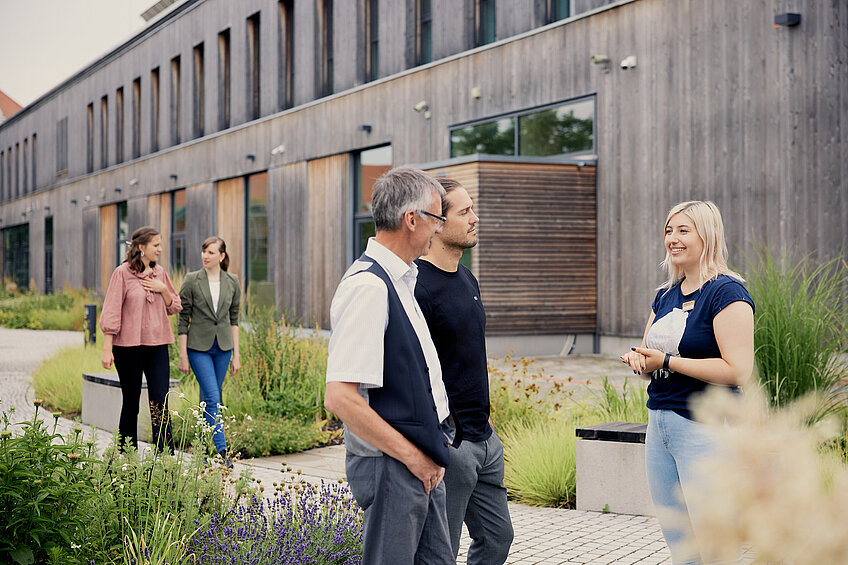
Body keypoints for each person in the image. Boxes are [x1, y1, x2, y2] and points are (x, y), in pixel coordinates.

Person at [324, 165, 456, 564]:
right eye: (436, 218)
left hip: (418, 463)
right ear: (411, 219)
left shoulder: (401, 280)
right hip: (394, 465)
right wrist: (413, 458)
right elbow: (340, 399)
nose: (439, 229)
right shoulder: (369, 287)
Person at [620, 200, 754, 564]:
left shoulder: (727, 293)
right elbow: (649, 355)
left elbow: (738, 370)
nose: (672, 239)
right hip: (660, 425)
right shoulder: (665, 295)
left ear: (706, 235)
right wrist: (641, 361)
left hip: (707, 428)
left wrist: (667, 361)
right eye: (668, 230)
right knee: (681, 544)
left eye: (683, 230)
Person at [415, 178, 513, 564]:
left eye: (473, 209)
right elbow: (415, 369)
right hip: (451, 444)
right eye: (464, 211)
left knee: (497, 539)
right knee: (441, 551)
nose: (475, 218)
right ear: (437, 223)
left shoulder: (468, 278)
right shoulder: (417, 286)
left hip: (485, 438)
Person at [100, 226, 182, 453]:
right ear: (141, 247)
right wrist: (108, 349)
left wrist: (163, 289)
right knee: (131, 402)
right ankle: (127, 456)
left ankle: (164, 457)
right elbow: (111, 311)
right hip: (128, 348)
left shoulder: (161, 273)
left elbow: (175, 306)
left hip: (157, 347)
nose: (160, 249)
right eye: (156, 245)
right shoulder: (122, 273)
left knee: (160, 401)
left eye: (160, 244)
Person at [177, 236, 241, 467]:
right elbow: (183, 319)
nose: (205, 256)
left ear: (222, 256)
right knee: (214, 397)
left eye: (211, 252)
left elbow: (234, 319)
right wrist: (183, 355)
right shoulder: (192, 280)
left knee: (208, 399)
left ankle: (201, 452)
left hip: (223, 348)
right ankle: (223, 452)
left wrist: (237, 354)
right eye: (204, 251)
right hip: (198, 348)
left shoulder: (232, 281)